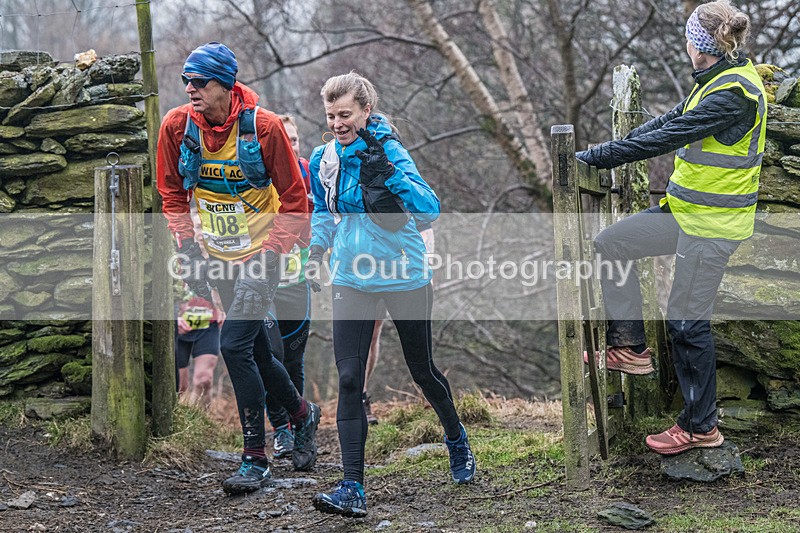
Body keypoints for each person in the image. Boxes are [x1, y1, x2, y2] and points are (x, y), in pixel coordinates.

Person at [576, 0, 766, 455]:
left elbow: (667, 138)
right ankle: (630, 348)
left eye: (688, 37)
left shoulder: (733, 93)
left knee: (685, 322)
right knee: (611, 244)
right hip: (686, 213)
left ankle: (701, 426)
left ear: (698, 46)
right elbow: (667, 121)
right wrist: (599, 150)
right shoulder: (716, 80)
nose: (685, 44)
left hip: (714, 225)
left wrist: (598, 157)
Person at [306, 72, 476, 517]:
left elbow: (428, 211)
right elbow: (323, 209)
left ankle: (456, 437)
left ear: (366, 111)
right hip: (351, 277)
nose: (338, 123)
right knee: (348, 377)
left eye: (346, 114)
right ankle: (352, 486)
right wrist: (317, 251)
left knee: (422, 370)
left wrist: (389, 175)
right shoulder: (323, 158)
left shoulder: (390, 151)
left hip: (404, 274)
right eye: (331, 115)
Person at [156, 42, 321, 495]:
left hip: (265, 252)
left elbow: (295, 201)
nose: (191, 90)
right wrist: (187, 246)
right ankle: (304, 416)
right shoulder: (176, 127)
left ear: (225, 86)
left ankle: (255, 458)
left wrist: (271, 253)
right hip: (218, 256)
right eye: (186, 81)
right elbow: (171, 194)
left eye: (201, 83)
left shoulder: (264, 128)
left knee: (232, 344)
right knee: (253, 350)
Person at [266, 115, 314, 460]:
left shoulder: (309, 171)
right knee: (270, 355)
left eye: (295, 139)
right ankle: (280, 428)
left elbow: (324, 215)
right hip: (263, 279)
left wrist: (318, 257)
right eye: (286, 139)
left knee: (293, 359)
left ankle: (300, 429)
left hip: (297, 280)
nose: (291, 144)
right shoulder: (256, 174)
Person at [361, 224, 435, 425]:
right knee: (367, 329)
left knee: (394, 328)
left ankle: (431, 394)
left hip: (404, 256)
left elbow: (424, 218)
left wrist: (424, 264)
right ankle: (360, 395)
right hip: (364, 253)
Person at [175, 280, 221, 409]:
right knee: (179, 386)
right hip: (177, 325)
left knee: (204, 379)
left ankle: (199, 420)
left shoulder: (217, 261)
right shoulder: (175, 261)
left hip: (208, 323)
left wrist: (223, 308)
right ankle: (177, 421)